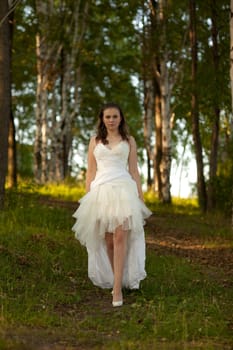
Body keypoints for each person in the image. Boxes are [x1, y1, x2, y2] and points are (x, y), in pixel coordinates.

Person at [72, 102, 152, 307]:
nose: (111, 120)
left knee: (120, 237)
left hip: (124, 191)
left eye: (115, 116)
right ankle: (118, 277)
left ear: (121, 118)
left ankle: (117, 290)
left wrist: (140, 195)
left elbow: (134, 170)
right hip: (101, 192)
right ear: (102, 119)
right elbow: (90, 171)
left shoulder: (129, 141)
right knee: (107, 241)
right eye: (107, 117)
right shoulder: (95, 141)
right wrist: (89, 196)